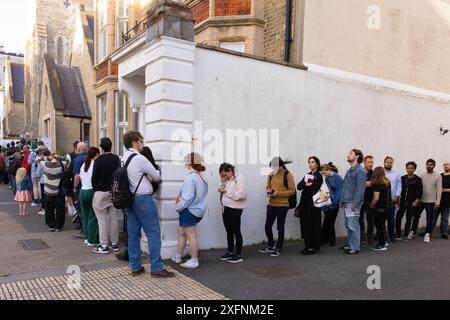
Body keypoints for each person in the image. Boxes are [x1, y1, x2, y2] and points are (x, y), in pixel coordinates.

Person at [121, 131, 174, 278]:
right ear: (134, 143)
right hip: (143, 199)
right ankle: (156, 267)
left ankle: (135, 267)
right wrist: (152, 173)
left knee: (133, 234)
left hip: (129, 200)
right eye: (141, 141)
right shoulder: (139, 158)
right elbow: (157, 176)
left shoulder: (123, 158)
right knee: (153, 232)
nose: (143, 144)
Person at [172, 153, 209, 269]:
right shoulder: (202, 176)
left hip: (189, 210)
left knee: (191, 236)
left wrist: (178, 206)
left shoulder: (190, 178)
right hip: (198, 210)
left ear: (189, 163)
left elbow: (187, 198)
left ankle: (194, 260)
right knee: (182, 232)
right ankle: (178, 256)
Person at [259, 157, 295, 257]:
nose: (273, 169)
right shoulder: (271, 174)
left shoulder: (288, 175)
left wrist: (278, 193)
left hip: (283, 205)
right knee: (267, 226)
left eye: (275, 167)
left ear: (280, 165)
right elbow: (268, 186)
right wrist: (269, 191)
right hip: (271, 204)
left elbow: (292, 190)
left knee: (280, 227)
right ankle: (271, 245)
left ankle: (279, 247)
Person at [92, 138, 121, 254]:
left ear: (101, 148)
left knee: (102, 220)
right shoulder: (116, 158)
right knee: (114, 219)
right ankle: (114, 244)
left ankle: (104, 245)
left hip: (100, 192)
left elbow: (94, 177)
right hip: (113, 191)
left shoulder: (99, 160)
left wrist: (95, 189)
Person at [217, 163, 247, 263]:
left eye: (225, 174)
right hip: (225, 208)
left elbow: (241, 195)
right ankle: (230, 252)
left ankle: (238, 254)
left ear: (230, 170)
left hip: (235, 208)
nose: (224, 176)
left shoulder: (240, 177)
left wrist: (226, 191)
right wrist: (222, 183)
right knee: (229, 231)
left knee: (236, 231)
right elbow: (226, 188)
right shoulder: (229, 178)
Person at [340, 149, 366, 254]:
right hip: (347, 201)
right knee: (348, 224)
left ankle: (355, 248)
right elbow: (345, 187)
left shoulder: (360, 171)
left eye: (351, 154)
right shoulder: (350, 170)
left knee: (353, 224)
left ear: (357, 156)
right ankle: (350, 245)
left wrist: (355, 204)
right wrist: (342, 200)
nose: (348, 155)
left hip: (352, 202)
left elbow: (360, 189)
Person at [296, 157, 323, 255]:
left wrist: (307, 186)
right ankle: (308, 245)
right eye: (309, 162)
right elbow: (299, 186)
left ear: (317, 164)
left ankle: (312, 247)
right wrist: (305, 184)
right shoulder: (307, 175)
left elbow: (314, 190)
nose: (310, 164)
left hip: (313, 205)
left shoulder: (318, 176)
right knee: (305, 224)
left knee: (312, 225)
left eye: (313, 162)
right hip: (304, 204)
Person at [395, 162, 423, 240]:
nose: (409, 169)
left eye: (411, 168)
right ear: (406, 168)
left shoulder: (418, 179)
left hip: (412, 202)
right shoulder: (402, 178)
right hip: (402, 201)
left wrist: (416, 201)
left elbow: (420, 192)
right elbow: (398, 190)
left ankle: (406, 233)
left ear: (414, 169)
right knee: (398, 218)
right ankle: (398, 234)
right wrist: (398, 200)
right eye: (408, 168)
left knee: (409, 219)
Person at [418, 159, 442, 243]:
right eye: (428, 164)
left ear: (434, 166)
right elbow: (419, 188)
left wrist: (437, 201)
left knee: (429, 218)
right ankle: (415, 231)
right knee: (417, 216)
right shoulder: (422, 175)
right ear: (426, 165)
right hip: (421, 200)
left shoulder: (438, 176)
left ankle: (428, 234)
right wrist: (418, 199)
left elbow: (439, 189)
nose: (429, 166)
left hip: (431, 201)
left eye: (431, 164)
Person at [80, 147, 100, 247]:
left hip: (82, 191)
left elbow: (81, 177)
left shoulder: (84, 165)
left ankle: (87, 237)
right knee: (93, 216)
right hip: (91, 191)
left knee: (85, 216)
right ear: (96, 155)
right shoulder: (95, 165)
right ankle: (92, 240)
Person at [369, 167, 392, 251]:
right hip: (387, 208)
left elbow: (376, 198)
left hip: (379, 209)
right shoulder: (387, 182)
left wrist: (371, 205)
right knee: (382, 225)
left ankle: (381, 245)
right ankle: (384, 241)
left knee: (379, 226)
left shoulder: (376, 184)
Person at [320, 162, 343, 247]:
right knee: (330, 223)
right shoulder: (326, 179)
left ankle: (324, 240)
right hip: (327, 205)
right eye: (322, 173)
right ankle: (331, 241)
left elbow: (339, 192)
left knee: (327, 223)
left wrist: (334, 204)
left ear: (329, 170)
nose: (324, 175)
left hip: (334, 205)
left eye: (324, 172)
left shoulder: (338, 178)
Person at [43, 153, 68, 232]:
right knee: (60, 209)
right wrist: (58, 156)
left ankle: (51, 225)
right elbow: (67, 159)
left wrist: (47, 157)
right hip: (59, 191)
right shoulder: (62, 164)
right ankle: (58, 226)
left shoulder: (45, 164)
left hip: (48, 191)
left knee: (49, 209)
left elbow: (38, 159)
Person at [426, 161, 450, 240]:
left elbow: (439, 189)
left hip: (447, 202)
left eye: (447, 164)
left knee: (444, 218)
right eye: (444, 165)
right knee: (433, 217)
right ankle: (428, 232)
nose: (445, 166)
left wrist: (442, 190)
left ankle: (444, 233)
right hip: (437, 200)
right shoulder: (440, 176)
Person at [384, 157, 402, 243]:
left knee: (391, 219)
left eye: (391, 162)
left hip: (392, 200)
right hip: (382, 201)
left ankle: (391, 236)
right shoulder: (381, 173)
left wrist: (397, 195)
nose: (389, 164)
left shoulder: (396, 174)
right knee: (381, 220)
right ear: (384, 163)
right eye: (387, 162)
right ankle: (382, 236)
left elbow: (399, 186)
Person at [72, 142, 88, 237]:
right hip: (90, 186)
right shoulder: (90, 157)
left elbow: (77, 175)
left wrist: (74, 187)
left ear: (78, 149)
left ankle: (84, 230)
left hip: (80, 187)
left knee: (81, 208)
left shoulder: (77, 159)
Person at [361, 155, 375, 244]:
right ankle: (361, 236)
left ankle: (370, 238)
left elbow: (374, 184)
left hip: (370, 200)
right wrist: (366, 183)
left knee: (370, 220)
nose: (370, 164)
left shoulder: (374, 174)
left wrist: (365, 184)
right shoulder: (360, 172)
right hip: (359, 200)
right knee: (359, 219)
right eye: (368, 162)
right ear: (364, 163)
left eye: (372, 162)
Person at [36, 150, 51, 216]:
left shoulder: (41, 162)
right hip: (51, 180)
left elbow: (38, 173)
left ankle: (44, 209)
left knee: (44, 195)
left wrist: (38, 176)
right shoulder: (52, 161)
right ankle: (52, 209)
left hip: (43, 180)